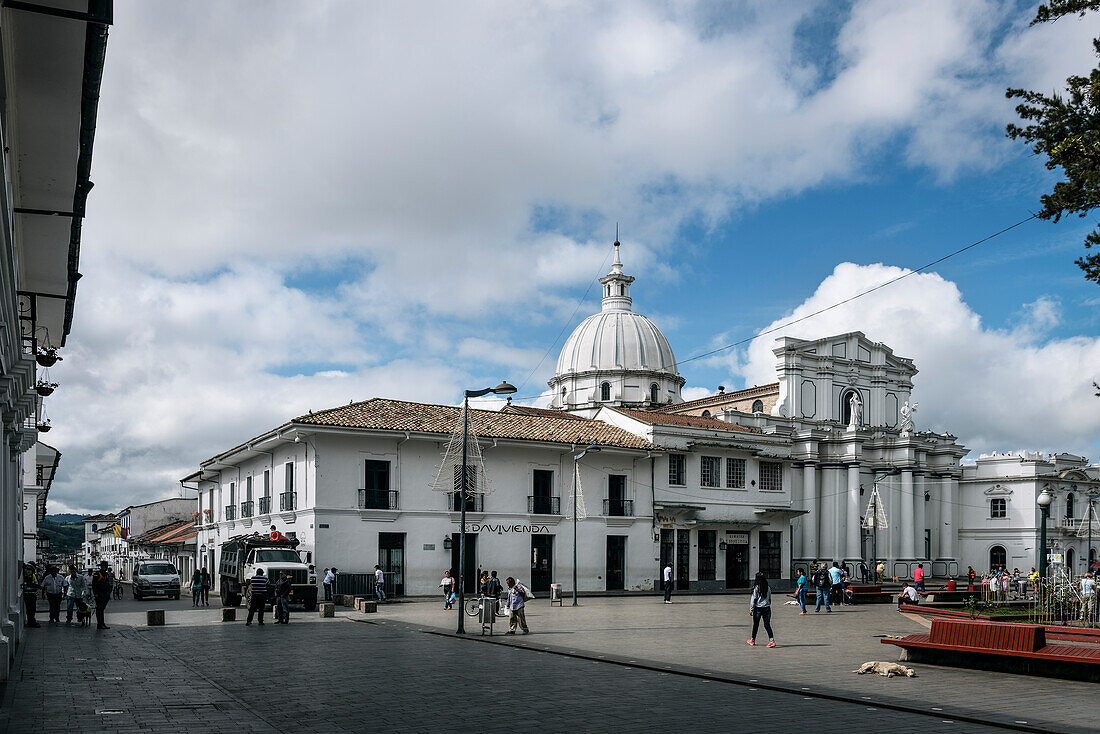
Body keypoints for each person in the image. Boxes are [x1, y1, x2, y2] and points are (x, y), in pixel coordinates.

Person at [747, 572, 776, 647]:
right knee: (767, 625)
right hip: (767, 608)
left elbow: (754, 599)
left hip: (758, 608)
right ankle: (772, 640)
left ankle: (752, 640)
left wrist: (751, 609)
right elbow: (769, 598)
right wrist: (767, 604)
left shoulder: (756, 587)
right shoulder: (768, 587)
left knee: (756, 625)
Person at [91, 561, 113, 630]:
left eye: (106, 567)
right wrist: (96, 594)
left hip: (105, 594)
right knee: (99, 609)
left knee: (102, 609)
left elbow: (107, 584)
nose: (105, 568)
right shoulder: (97, 574)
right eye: (104, 566)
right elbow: (94, 585)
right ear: (101, 567)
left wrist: (108, 593)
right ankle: (99, 624)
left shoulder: (106, 574)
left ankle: (102, 623)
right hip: (99, 594)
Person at [21, 562, 41, 628]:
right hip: (30, 594)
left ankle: (31, 621)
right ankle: (31, 622)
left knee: (31, 610)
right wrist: (39, 586)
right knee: (31, 610)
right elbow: (30, 583)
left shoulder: (31, 574)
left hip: (30, 594)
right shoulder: (29, 574)